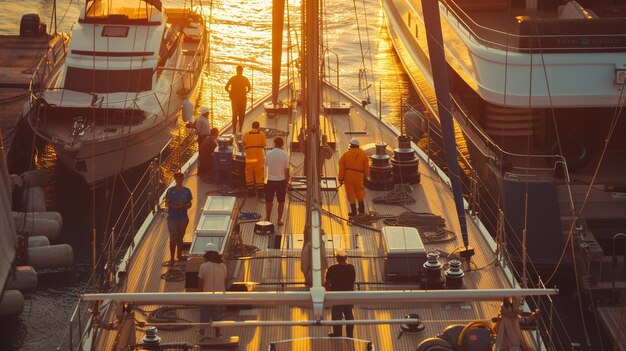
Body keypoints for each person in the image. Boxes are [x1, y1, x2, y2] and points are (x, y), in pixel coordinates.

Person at [197, 242, 228, 338]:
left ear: (207, 255)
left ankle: (202, 332)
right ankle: (218, 334)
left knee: (204, 315)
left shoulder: (203, 266)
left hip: (207, 296)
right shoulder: (223, 266)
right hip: (219, 296)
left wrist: (198, 296)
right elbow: (224, 281)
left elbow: (201, 283)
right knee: (217, 316)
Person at [325, 248, 356, 338]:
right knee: (349, 315)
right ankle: (350, 335)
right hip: (348, 296)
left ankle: (337, 334)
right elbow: (353, 280)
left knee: (336, 316)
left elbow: (327, 283)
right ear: (346, 257)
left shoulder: (332, 268)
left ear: (337, 258)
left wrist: (329, 295)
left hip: (336, 296)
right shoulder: (351, 268)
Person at [338, 138, 370, 217]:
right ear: (358, 146)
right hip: (359, 175)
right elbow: (366, 167)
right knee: (360, 191)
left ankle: (353, 212)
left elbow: (341, 166)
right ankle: (362, 211)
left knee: (350, 193)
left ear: (351, 145)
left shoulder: (345, 155)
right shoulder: (363, 155)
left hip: (348, 176)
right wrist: (366, 176)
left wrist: (340, 178)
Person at [164, 172, 192, 263]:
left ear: (182, 179)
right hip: (172, 217)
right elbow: (166, 203)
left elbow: (189, 203)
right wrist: (174, 207)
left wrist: (185, 207)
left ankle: (179, 255)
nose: (179, 180)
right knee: (173, 237)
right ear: (175, 179)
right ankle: (172, 258)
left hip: (183, 217)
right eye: (177, 179)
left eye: (181, 179)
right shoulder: (170, 190)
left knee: (180, 237)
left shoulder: (187, 191)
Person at [264, 136, 289, 225]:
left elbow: (266, 167)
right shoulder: (285, 155)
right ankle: (279, 219)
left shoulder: (269, 154)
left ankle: (268, 218)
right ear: (282, 144)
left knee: (269, 200)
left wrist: (265, 180)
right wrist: (287, 182)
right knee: (281, 201)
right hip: (281, 181)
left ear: (274, 143)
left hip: (270, 180)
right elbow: (287, 170)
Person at [224, 65, 251, 135]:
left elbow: (226, 87)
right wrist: (245, 93)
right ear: (242, 71)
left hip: (235, 100)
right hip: (243, 99)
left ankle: (234, 130)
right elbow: (249, 88)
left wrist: (230, 92)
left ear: (237, 71)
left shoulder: (233, 78)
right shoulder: (245, 79)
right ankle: (240, 129)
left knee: (234, 115)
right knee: (242, 115)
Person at [243, 121, 266, 197]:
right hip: (259, 158)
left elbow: (243, 143)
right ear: (258, 127)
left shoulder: (246, 134)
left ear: (252, 126)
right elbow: (264, 145)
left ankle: (251, 192)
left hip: (250, 158)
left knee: (249, 173)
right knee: (259, 174)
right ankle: (260, 193)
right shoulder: (262, 134)